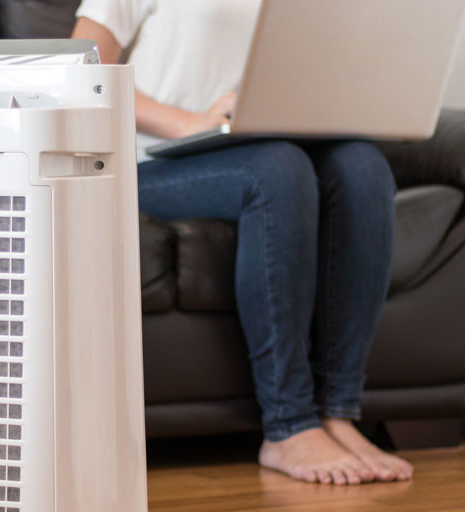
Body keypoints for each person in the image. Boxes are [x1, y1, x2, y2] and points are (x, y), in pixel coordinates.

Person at [72, 0, 413, 486]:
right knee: (276, 170)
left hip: (262, 144)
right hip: (152, 159)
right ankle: (288, 424)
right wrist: (188, 123)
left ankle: (337, 412)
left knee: (363, 167)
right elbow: (81, 72)